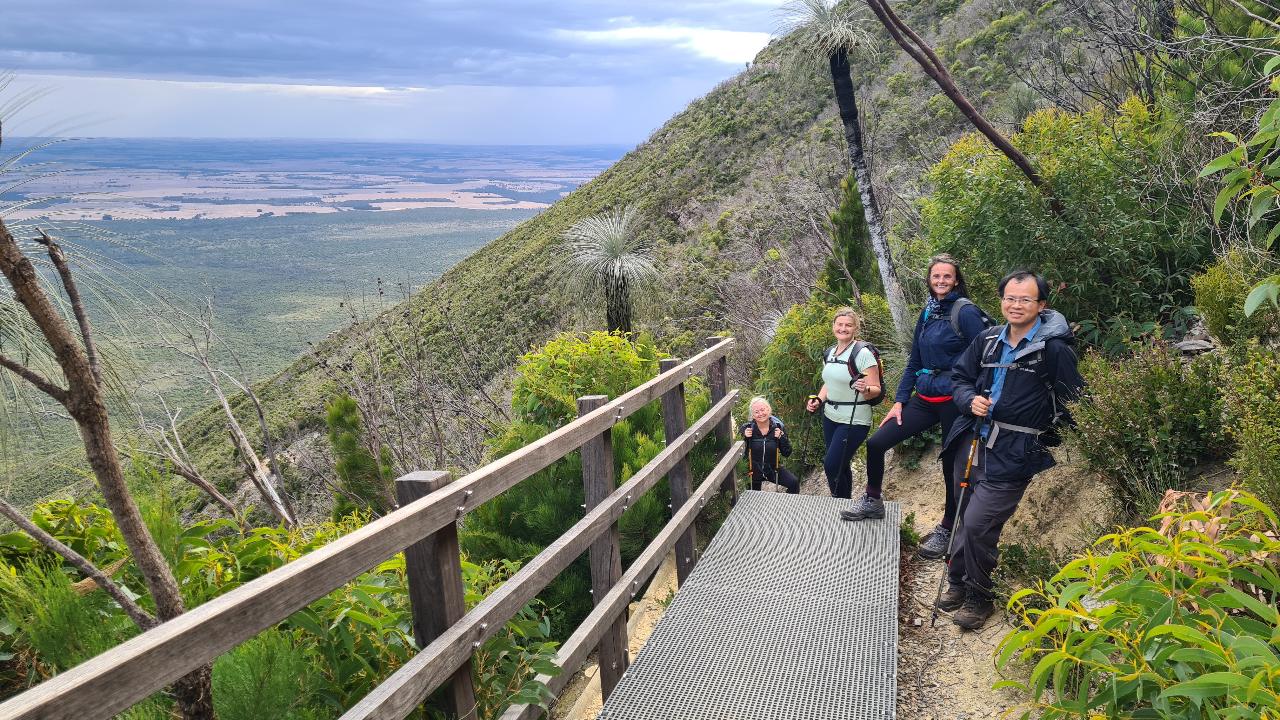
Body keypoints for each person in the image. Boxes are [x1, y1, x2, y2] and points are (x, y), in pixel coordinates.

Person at [935, 270, 1084, 630]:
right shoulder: (986, 340)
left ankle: (979, 595)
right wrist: (970, 399)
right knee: (961, 513)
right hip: (971, 440)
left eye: (1025, 299)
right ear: (1001, 300)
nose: (1016, 305)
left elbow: (1076, 400)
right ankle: (957, 581)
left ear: (1041, 305)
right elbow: (959, 378)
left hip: (1015, 451)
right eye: (1010, 298)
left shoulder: (1054, 350)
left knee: (977, 524)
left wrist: (1049, 437)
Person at [856, 255, 991, 561]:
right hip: (926, 397)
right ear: (929, 280)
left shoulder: (965, 311)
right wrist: (900, 401)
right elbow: (914, 361)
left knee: (950, 466)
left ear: (956, 280)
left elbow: (987, 352)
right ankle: (873, 499)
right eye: (936, 277)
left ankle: (947, 527)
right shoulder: (929, 312)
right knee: (877, 443)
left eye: (947, 276)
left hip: (955, 400)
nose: (941, 281)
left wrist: (975, 396)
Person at [805, 307, 882, 508]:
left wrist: (865, 388)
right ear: (833, 327)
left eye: (848, 325)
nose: (843, 328)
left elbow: (876, 388)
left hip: (854, 419)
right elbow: (829, 383)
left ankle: (838, 505)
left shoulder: (863, 353)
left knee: (831, 465)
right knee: (840, 465)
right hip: (830, 416)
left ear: (855, 328)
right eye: (839, 324)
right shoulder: (830, 352)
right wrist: (819, 400)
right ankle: (846, 504)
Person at [741, 396, 800, 494]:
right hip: (753, 471)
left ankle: (789, 507)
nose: (760, 413)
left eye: (763, 409)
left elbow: (787, 453)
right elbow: (740, 453)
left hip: (773, 470)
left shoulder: (778, 427)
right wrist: (744, 436)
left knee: (793, 483)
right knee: (753, 498)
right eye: (756, 412)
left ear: (769, 410)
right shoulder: (748, 429)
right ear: (753, 416)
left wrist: (782, 438)